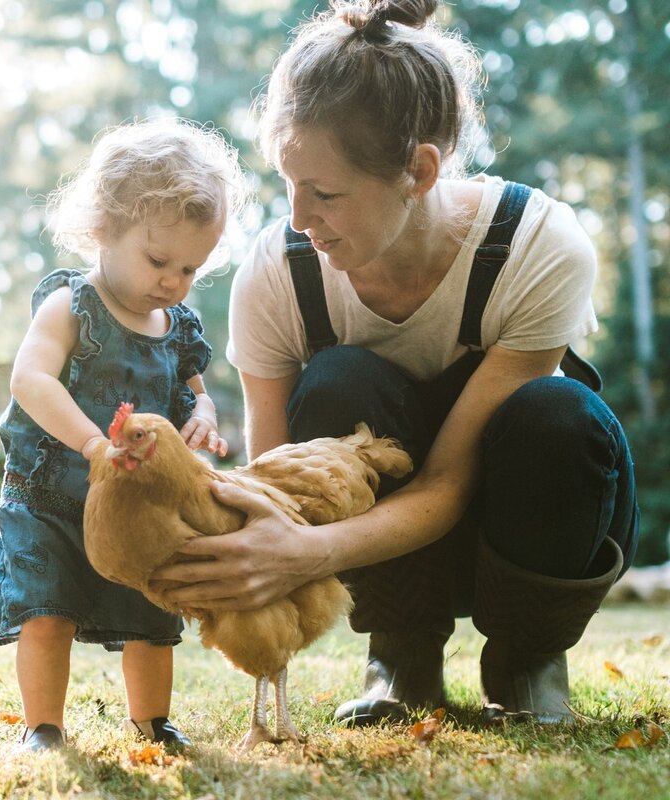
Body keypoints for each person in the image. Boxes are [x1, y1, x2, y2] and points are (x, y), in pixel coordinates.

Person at [151, 0, 640, 727]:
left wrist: (308, 553)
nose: (297, 217)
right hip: (384, 556)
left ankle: (526, 658)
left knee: (558, 414)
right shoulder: (279, 274)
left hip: (527, 523)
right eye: (288, 183)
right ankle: (400, 658)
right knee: (337, 384)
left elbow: (446, 484)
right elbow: (282, 478)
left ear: (419, 169)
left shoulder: (539, 246)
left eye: (326, 193)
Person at [0, 118, 250, 751]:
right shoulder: (72, 306)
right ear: (103, 229)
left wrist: (204, 416)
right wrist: (92, 445)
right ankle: (44, 727)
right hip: (49, 498)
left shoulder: (178, 326)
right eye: (160, 261)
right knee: (45, 614)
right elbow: (31, 380)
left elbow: (196, 388)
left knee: (150, 620)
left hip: (134, 510)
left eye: (192, 267)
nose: (174, 282)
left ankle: (153, 722)